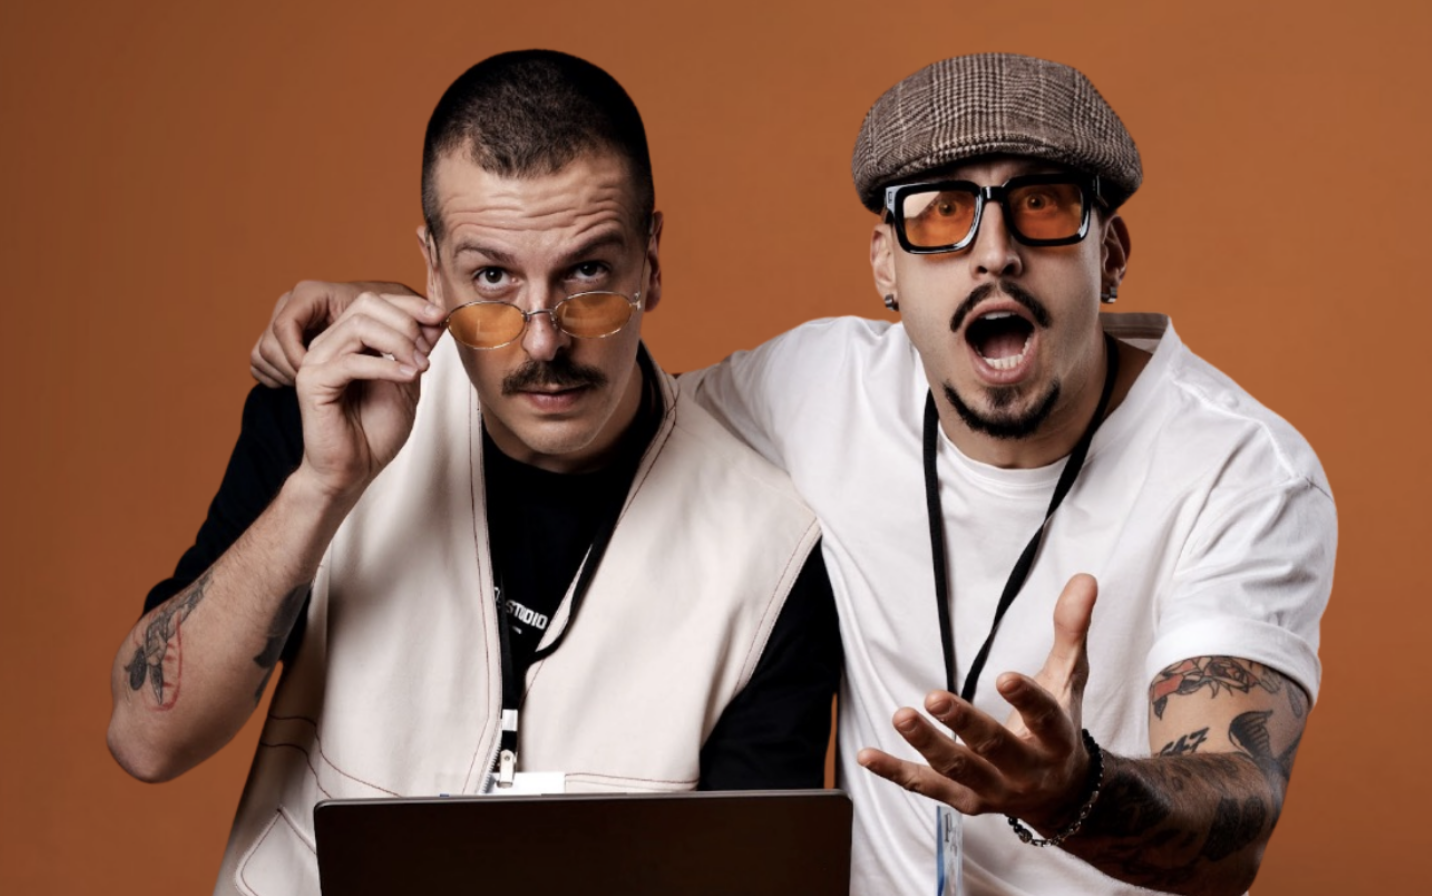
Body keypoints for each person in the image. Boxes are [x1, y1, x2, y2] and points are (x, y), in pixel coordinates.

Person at [251, 54, 1335, 896]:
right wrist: (410, 312)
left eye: (1043, 206)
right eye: (941, 213)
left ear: (1112, 252)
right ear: (885, 266)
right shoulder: (813, 391)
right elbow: (577, 377)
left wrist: (1074, 788)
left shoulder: (1239, 470)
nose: (994, 251)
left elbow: (1231, 814)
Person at [107, 50, 840, 896]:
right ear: (432, 269)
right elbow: (146, 740)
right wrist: (322, 488)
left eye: (588, 273)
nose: (543, 340)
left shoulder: (770, 554)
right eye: (492, 277)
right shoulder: (330, 412)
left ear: (651, 260)